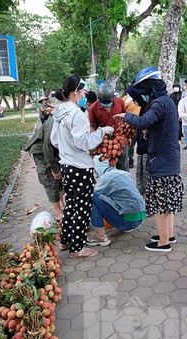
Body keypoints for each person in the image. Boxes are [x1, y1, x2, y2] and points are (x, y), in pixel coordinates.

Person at [113, 66, 184, 253]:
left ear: (151, 87)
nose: (143, 95)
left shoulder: (159, 103)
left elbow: (144, 121)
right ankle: (168, 235)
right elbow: (157, 126)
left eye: (144, 90)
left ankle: (163, 243)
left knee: (161, 204)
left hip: (162, 159)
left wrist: (126, 116)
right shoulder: (166, 101)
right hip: (170, 157)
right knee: (167, 203)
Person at [51, 75, 115, 258]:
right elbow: (83, 142)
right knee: (82, 208)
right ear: (75, 92)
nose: (85, 94)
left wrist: (67, 148)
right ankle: (77, 248)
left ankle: (65, 240)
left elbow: (55, 140)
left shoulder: (60, 112)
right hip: (80, 168)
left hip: (66, 166)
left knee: (70, 205)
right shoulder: (78, 115)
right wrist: (102, 132)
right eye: (83, 90)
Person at [87, 159, 147, 247]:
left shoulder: (106, 178)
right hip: (139, 218)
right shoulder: (124, 173)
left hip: (127, 222)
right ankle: (125, 225)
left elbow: (94, 196)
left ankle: (100, 236)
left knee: (90, 196)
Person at [24, 117, 64, 222]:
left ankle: (61, 203)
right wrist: (54, 169)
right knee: (50, 180)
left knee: (61, 177)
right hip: (41, 151)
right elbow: (47, 149)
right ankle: (58, 212)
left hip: (54, 150)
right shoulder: (53, 126)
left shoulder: (66, 121)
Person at [88, 83, 129, 171]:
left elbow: (125, 118)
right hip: (103, 141)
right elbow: (92, 127)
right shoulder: (92, 109)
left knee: (123, 166)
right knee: (104, 168)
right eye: (105, 103)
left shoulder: (120, 102)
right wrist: (92, 144)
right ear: (99, 99)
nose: (107, 105)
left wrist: (126, 136)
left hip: (119, 139)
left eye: (109, 102)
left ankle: (125, 183)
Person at [125, 85, 150, 196]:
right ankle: (143, 202)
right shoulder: (143, 107)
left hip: (148, 149)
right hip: (141, 148)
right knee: (141, 181)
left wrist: (127, 118)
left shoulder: (149, 107)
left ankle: (149, 204)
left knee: (147, 179)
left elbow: (143, 123)